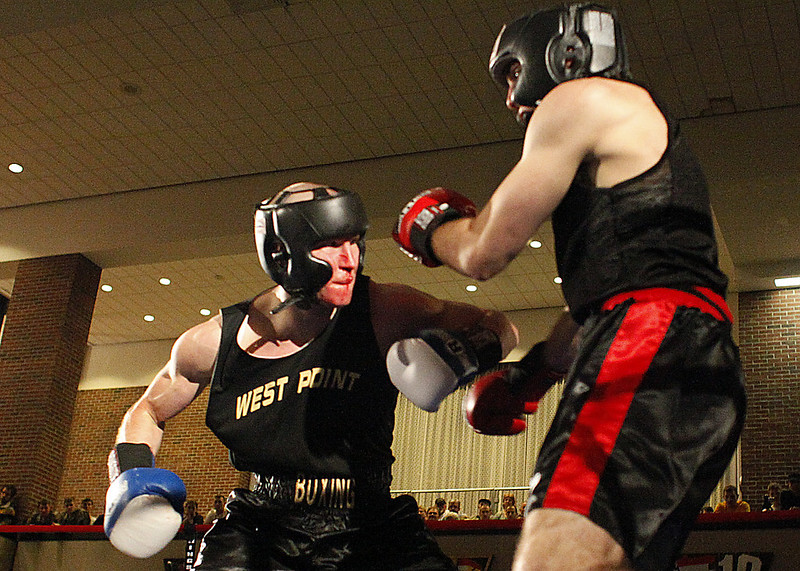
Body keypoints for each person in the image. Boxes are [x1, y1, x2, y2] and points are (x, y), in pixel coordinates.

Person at [392, 4, 746, 570]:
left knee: (554, 558)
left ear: (561, 54)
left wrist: (430, 230)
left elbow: (484, 251)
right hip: (688, 359)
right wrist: (531, 377)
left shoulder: (578, 99)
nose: (511, 99)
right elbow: (596, 311)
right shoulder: (635, 141)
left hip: (649, 343)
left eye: (511, 74)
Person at [103, 182, 518, 569]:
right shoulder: (213, 342)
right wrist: (131, 477)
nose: (350, 259)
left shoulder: (383, 309)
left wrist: (461, 356)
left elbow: (500, 325)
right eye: (330, 245)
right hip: (262, 524)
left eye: (354, 243)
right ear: (284, 252)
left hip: (370, 519)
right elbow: (149, 409)